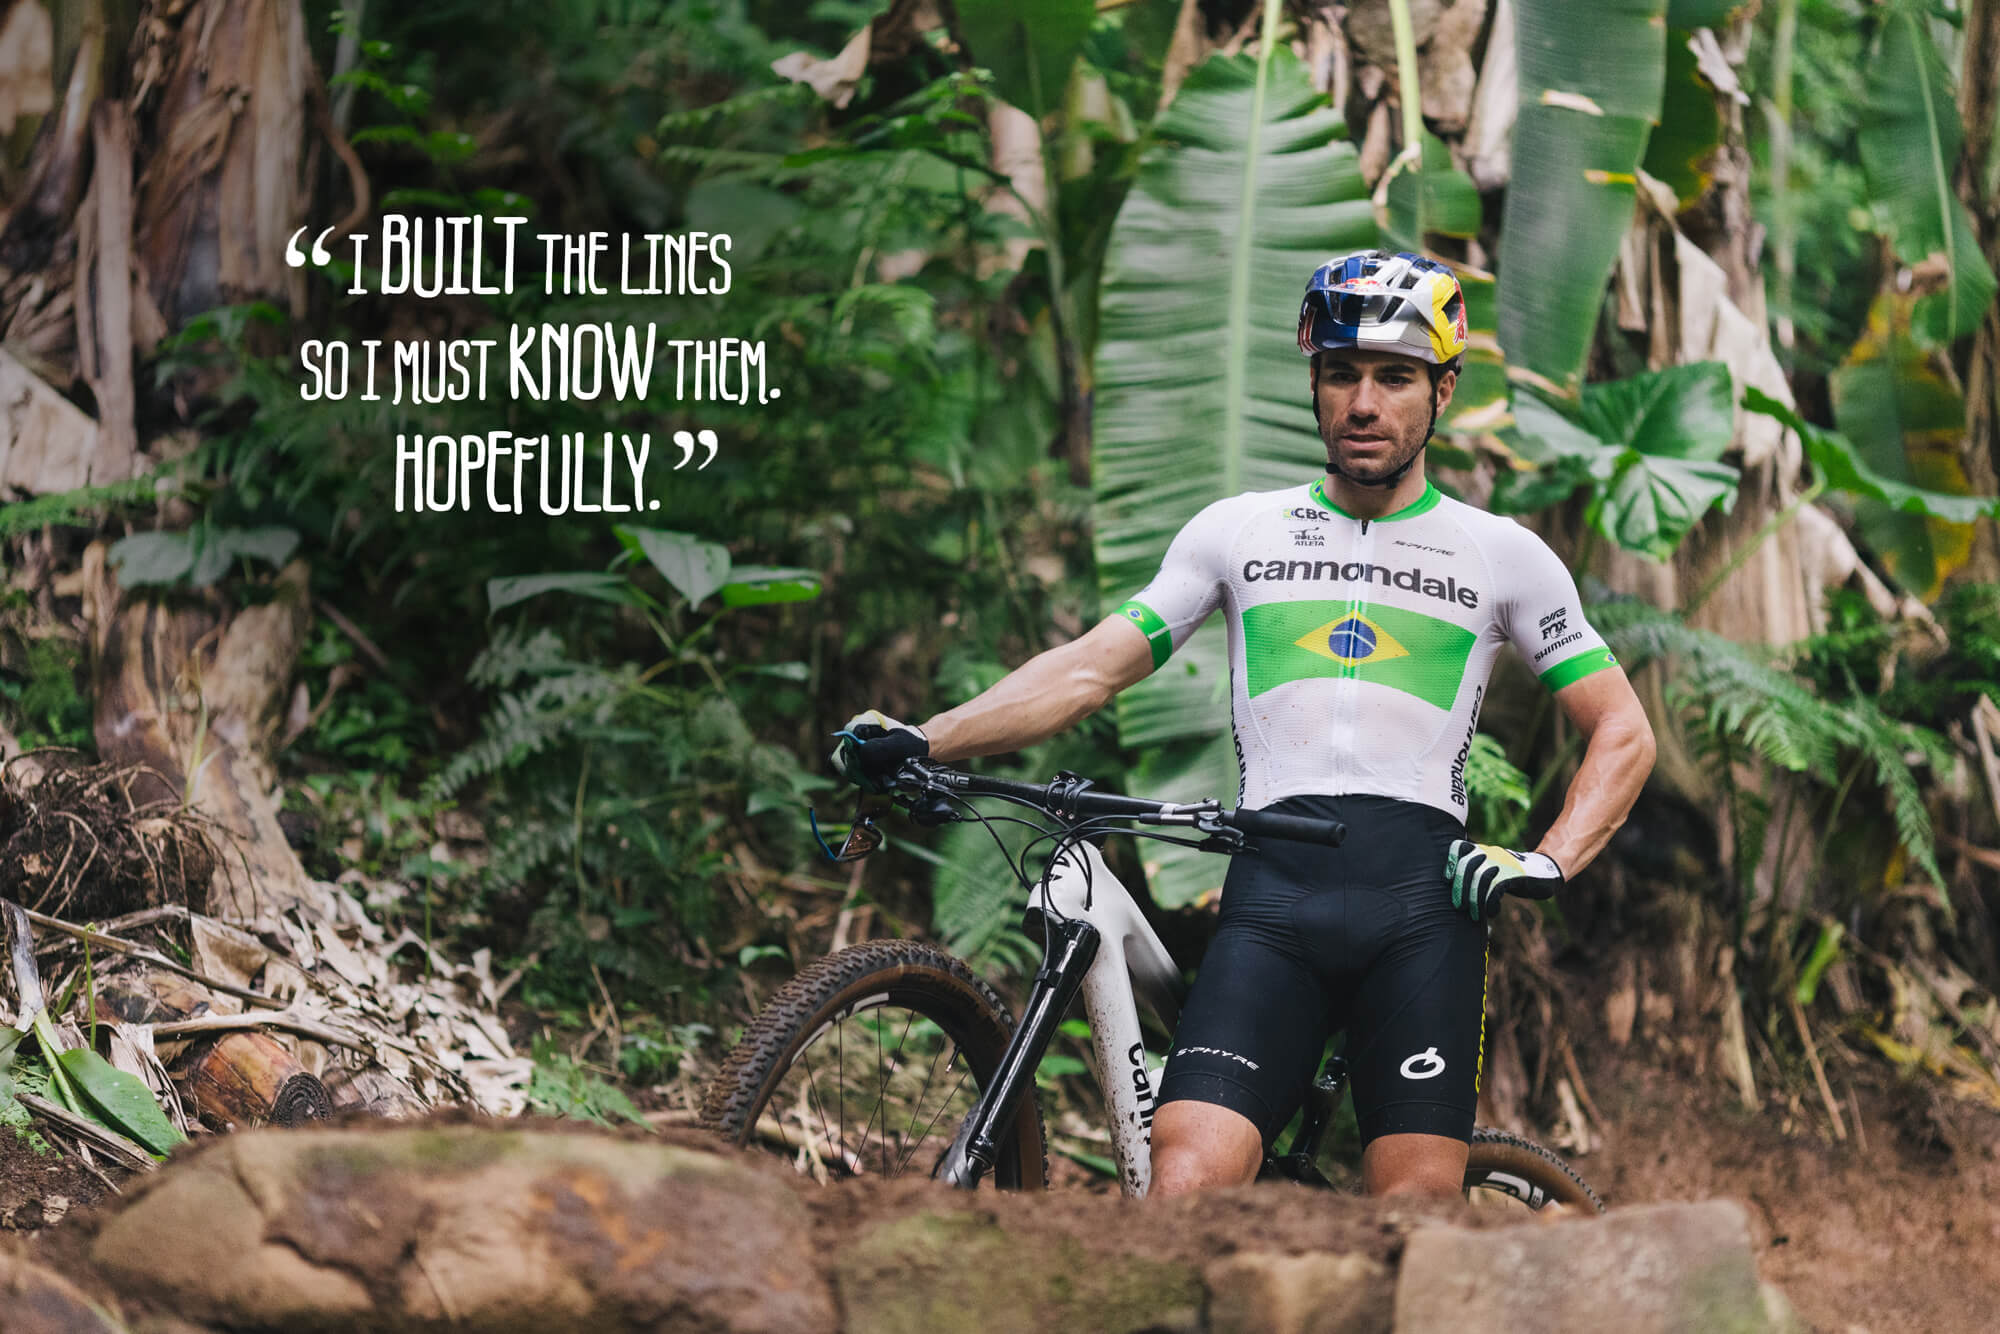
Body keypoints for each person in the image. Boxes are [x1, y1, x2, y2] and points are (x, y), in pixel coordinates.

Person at [831, 249, 1655, 1200]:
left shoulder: (1502, 555)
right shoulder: (1240, 532)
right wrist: (929, 737)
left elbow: (1622, 730)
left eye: (1395, 378)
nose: (1363, 403)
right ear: (1313, 381)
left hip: (1424, 915)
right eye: (1342, 373)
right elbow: (1094, 666)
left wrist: (1546, 860)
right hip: (1274, 901)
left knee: (1415, 1219)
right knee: (1185, 1178)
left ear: (1444, 390)